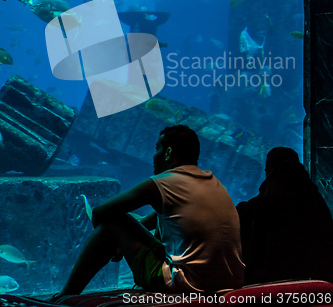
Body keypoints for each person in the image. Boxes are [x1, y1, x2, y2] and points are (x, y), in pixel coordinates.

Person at [51, 125, 244, 299]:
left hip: (188, 284)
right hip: (230, 281)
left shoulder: (163, 183)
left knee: (110, 225)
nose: (154, 156)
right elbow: (158, 219)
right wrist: (125, 239)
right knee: (126, 225)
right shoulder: (212, 183)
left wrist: (116, 246)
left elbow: (101, 213)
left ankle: (67, 296)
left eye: (156, 149)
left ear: (168, 152)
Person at [236, 146, 333, 285]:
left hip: (266, 289)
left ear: (270, 171)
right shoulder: (317, 203)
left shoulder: (260, 206)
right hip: (314, 288)